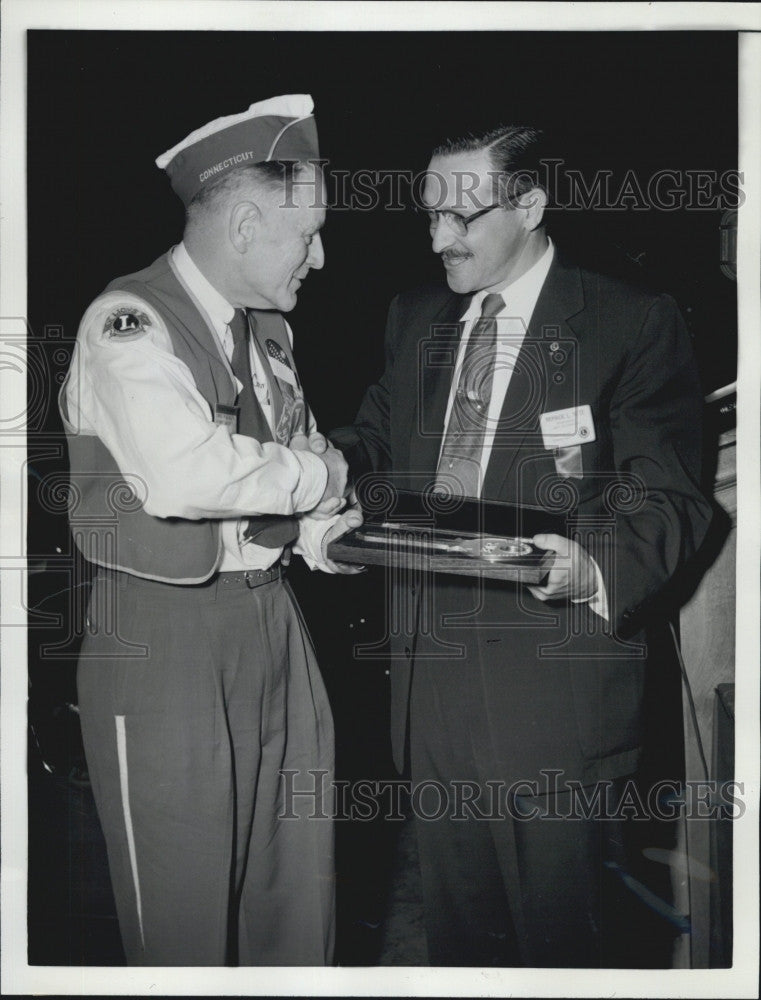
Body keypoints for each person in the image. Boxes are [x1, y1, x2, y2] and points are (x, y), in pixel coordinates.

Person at [336, 125, 713, 967]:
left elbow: (671, 495)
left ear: (530, 203)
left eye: (461, 217)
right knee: (463, 945)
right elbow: (373, 441)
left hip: (556, 699)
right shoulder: (414, 317)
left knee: (570, 947)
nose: (438, 239)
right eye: (428, 216)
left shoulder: (627, 319)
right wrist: (304, 471)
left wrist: (595, 564)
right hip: (430, 695)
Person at [59, 94, 361, 967]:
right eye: (306, 234)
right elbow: (185, 474)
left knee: (294, 891)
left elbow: (271, 470)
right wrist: (320, 475)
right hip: (164, 643)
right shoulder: (129, 323)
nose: (320, 256)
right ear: (242, 223)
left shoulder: (269, 335)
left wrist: (315, 530)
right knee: (184, 918)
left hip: (273, 624)